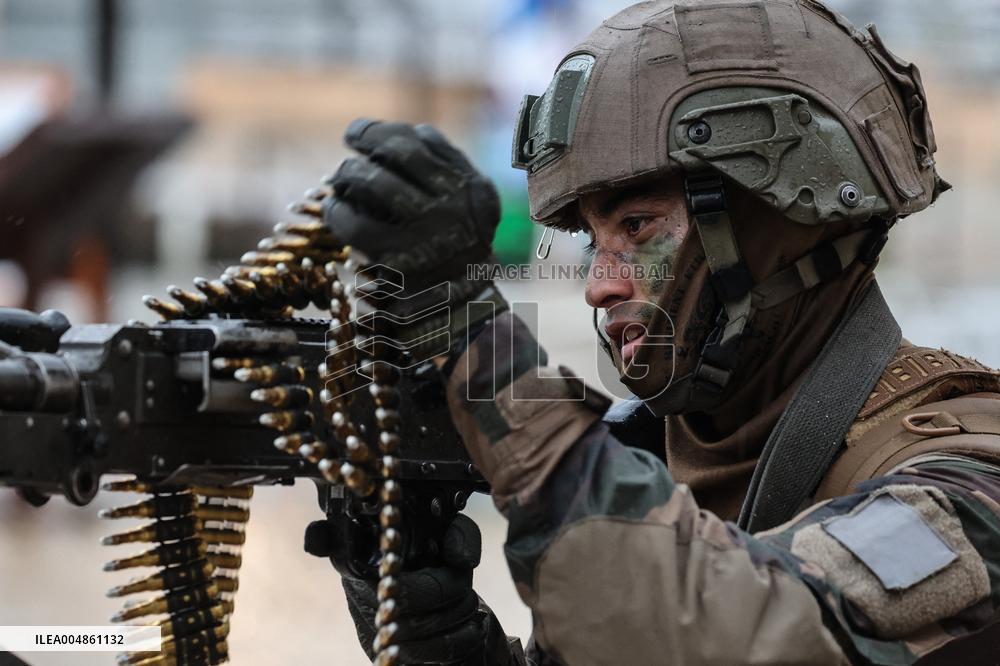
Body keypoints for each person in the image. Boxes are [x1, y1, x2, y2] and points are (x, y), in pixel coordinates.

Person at [316, 1, 1000, 664]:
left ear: (781, 220)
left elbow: (718, 633)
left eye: (638, 228)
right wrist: (443, 638)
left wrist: (477, 340)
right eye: (592, 241)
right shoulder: (656, 455)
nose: (599, 284)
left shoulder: (968, 474)